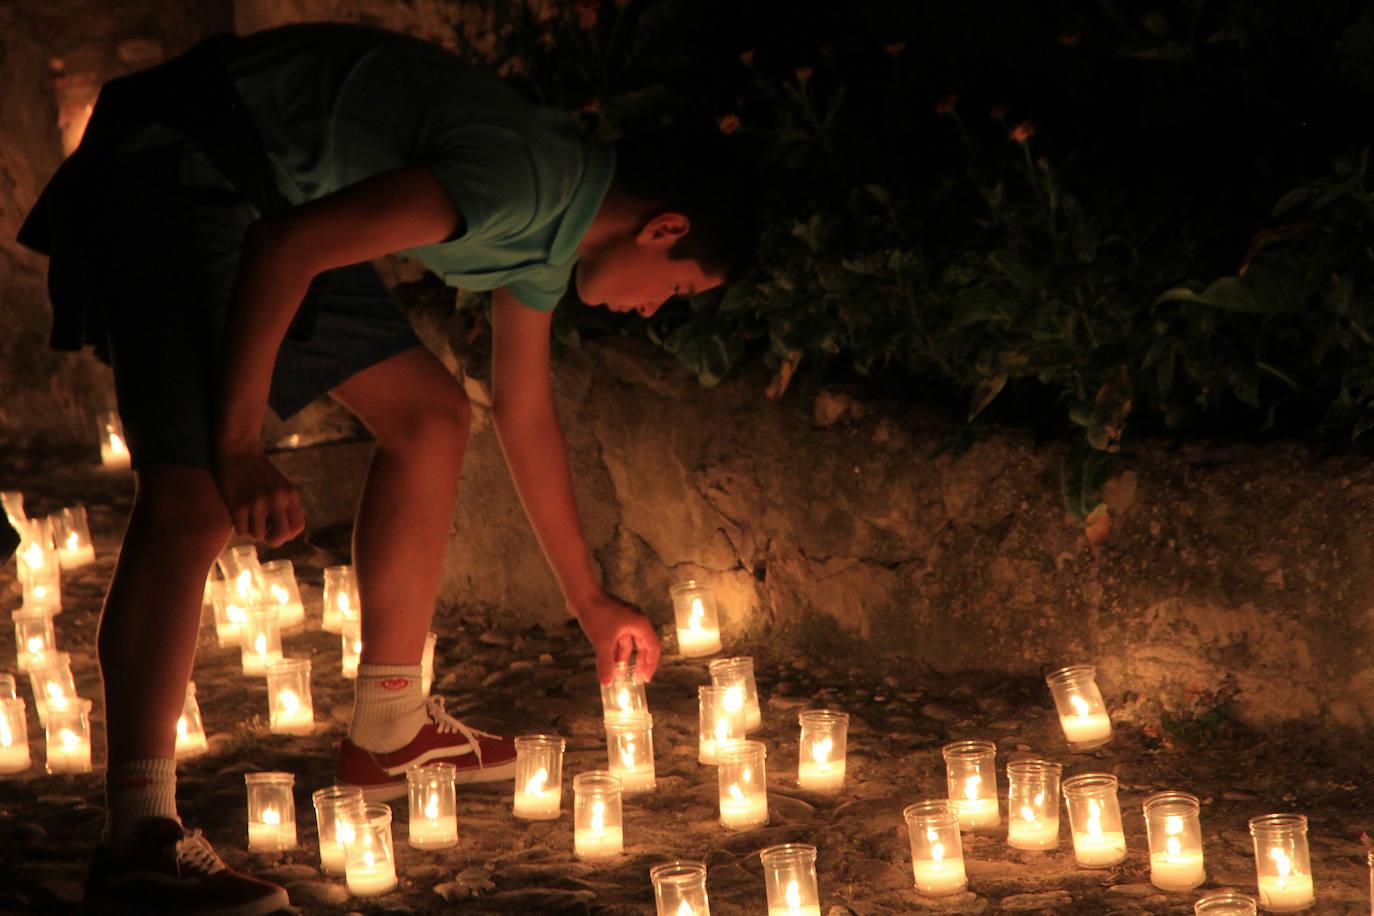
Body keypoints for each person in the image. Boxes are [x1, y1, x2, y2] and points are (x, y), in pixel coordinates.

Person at [18, 21, 758, 915]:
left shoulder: (551, 234)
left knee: (432, 416)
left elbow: (521, 413)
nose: (653, 311)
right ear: (663, 228)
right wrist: (241, 446)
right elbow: (282, 252)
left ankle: (391, 728)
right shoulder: (527, 181)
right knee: (194, 502)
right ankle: (137, 838)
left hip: (268, 198)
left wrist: (590, 601)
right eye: (675, 289)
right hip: (185, 165)